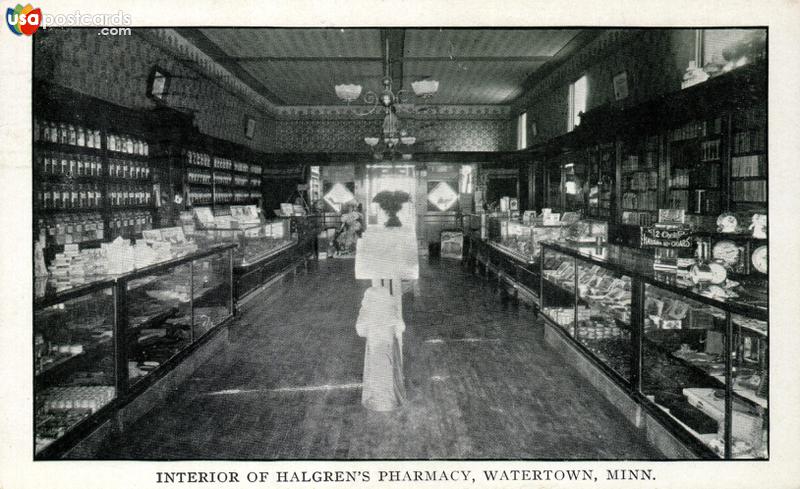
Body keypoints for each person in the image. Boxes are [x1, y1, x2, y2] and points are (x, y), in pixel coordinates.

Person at [355, 286, 407, 411]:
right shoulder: (390, 310)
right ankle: (390, 399)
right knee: (389, 370)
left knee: (376, 370)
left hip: (374, 346)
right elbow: (401, 327)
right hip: (388, 346)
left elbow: (360, 330)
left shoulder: (367, 312)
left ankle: (378, 399)